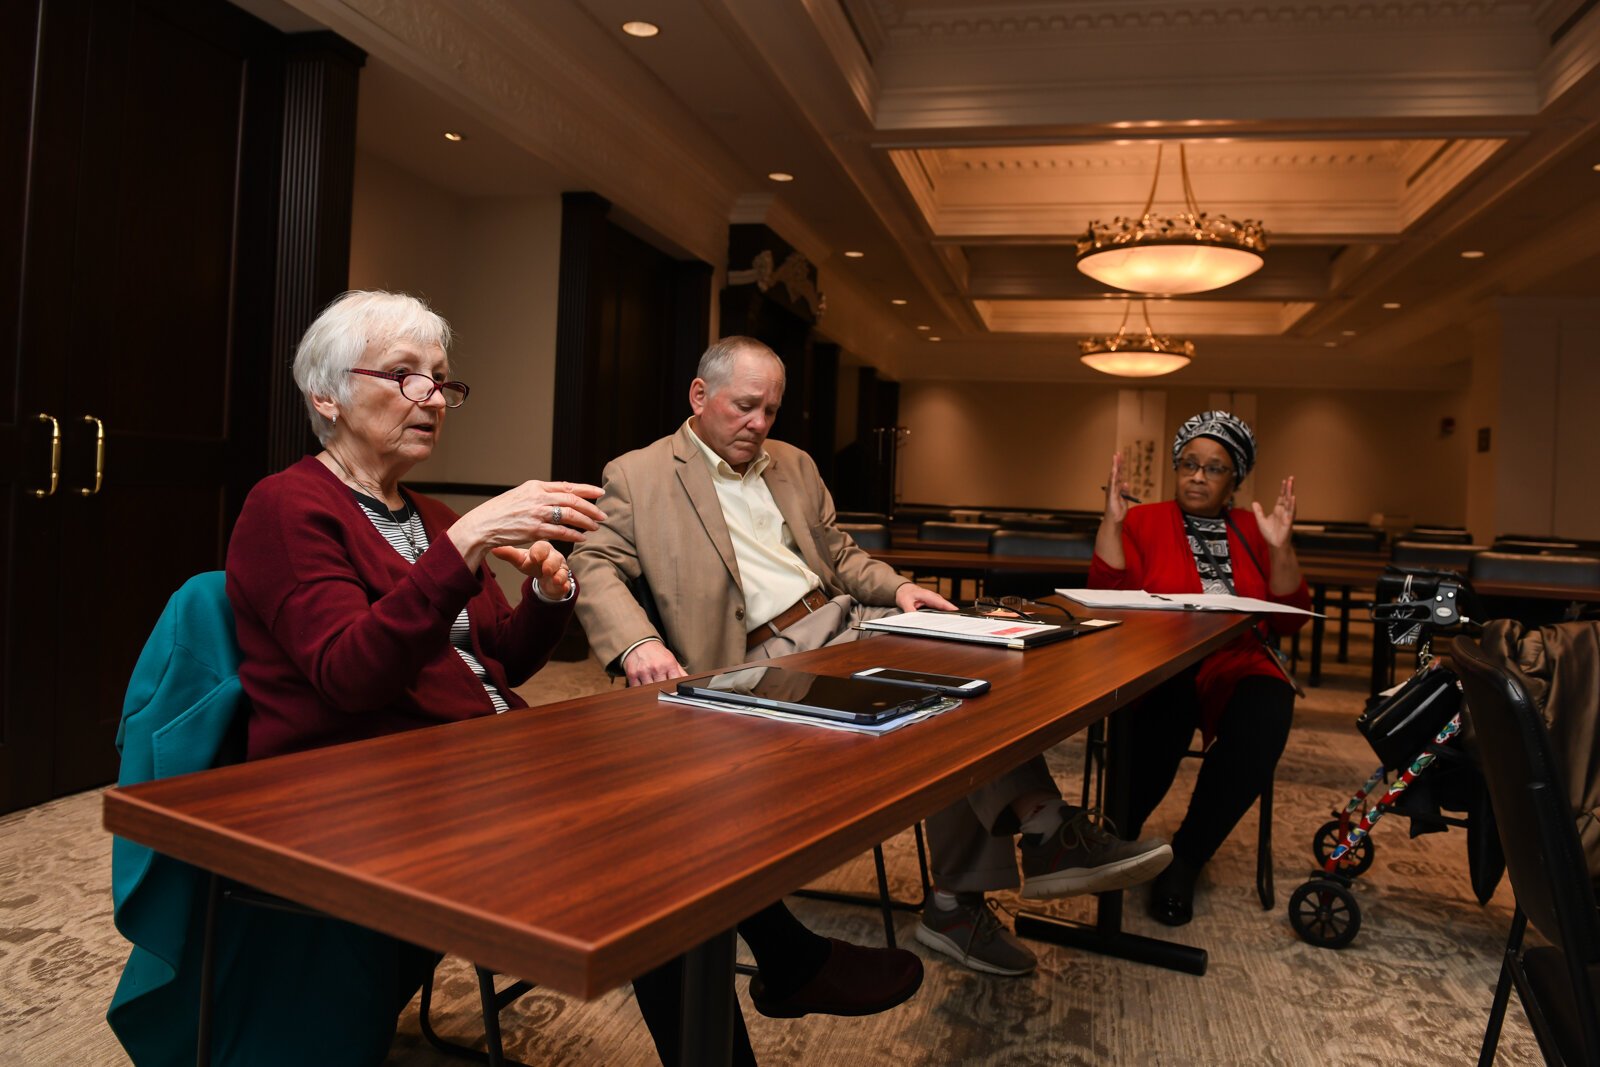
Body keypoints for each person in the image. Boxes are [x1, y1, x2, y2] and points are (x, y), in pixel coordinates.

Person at [225, 292, 913, 1066]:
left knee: (676, 793)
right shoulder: (287, 506)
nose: (433, 398)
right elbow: (348, 675)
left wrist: (550, 594)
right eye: (405, 375)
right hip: (368, 783)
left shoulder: (429, 514)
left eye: (442, 380)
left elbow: (501, 665)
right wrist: (467, 547)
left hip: (475, 759)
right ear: (326, 394)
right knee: (655, 841)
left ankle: (788, 965)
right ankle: (791, 963)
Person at [571, 335, 1171, 979]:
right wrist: (638, 643)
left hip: (847, 621)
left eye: (771, 410)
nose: (758, 424)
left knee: (982, 669)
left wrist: (899, 587)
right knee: (936, 705)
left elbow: (839, 552)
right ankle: (1023, 850)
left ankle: (990, 876)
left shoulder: (792, 464)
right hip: (760, 658)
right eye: (745, 407)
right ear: (699, 395)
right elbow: (594, 561)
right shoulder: (639, 473)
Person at [1089, 410, 1310, 926]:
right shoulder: (1142, 519)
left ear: (1234, 480)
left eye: (1214, 468)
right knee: (1162, 709)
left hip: (1238, 660)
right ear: (1175, 466)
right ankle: (1115, 844)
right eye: (1189, 463)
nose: (1197, 476)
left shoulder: (1255, 528)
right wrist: (1111, 524)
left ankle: (1186, 860)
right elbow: (1106, 597)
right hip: (1160, 658)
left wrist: (1279, 546)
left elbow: (1292, 620)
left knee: (1267, 714)